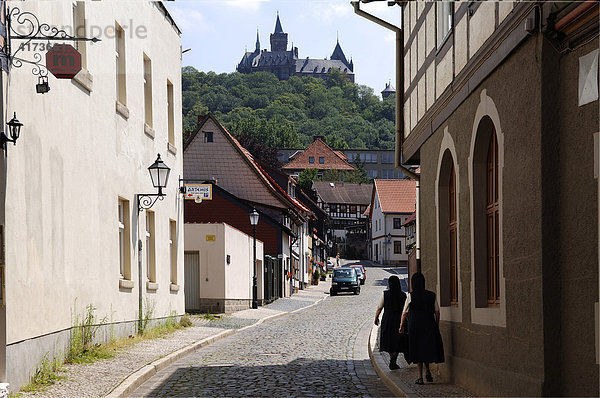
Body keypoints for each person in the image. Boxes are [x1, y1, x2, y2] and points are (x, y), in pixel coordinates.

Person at [399, 272, 444, 385]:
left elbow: (404, 313)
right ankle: (428, 371)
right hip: (429, 325)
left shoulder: (411, 296)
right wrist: (436, 325)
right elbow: (437, 312)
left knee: (418, 350)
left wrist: (401, 326)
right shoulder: (431, 295)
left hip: (415, 327)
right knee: (427, 348)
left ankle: (420, 377)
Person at [374, 275, 407, 370]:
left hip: (388, 319)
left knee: (388, 339)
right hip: (399, 319)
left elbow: (379, 307)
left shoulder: (385, 294)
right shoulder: (403, 295)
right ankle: (393, 360)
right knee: (398, 340)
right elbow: (406, 310)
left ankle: (392, 358)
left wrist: (376, 318)